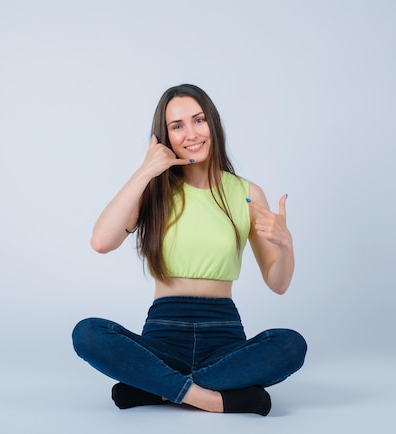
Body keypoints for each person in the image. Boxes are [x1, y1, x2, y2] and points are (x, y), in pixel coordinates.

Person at [72, 84, 306, 416]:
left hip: (223, 337)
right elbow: (101, 242)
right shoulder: (153, 191)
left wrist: (286, 245)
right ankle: (214, 398)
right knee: (88, 333)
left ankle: (156, 387)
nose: (191, 133)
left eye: (198, 120)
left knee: (291, 345)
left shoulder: (247, 193)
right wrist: (145, 171)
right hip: (162, 337)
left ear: (213, 123)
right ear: (165, 137)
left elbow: (278, 283)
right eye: (177, 126)